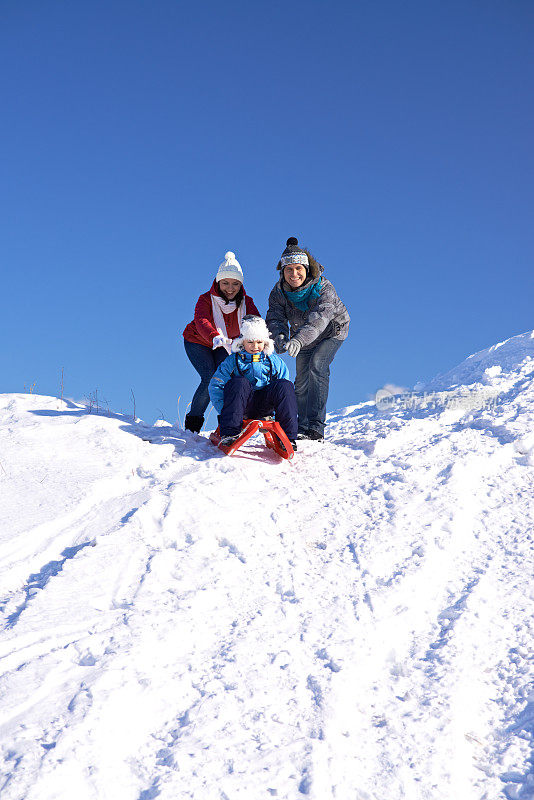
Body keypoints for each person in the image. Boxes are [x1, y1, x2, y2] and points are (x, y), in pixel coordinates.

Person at [266, 237, 349, 441]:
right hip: (301, 337)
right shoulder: (278, 293)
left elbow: (320, 318)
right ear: (282, 272)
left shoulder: (324, 287)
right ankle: (301, 425)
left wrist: (298, 340)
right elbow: (275, 317)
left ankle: (315, 427)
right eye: (289, 270)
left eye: (298, 268)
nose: (294, 274)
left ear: (307, 268)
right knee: (301, 381)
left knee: (317, 366)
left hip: (331, 331)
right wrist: (279, 337)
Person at [182, 251, 260, 433]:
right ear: (218, 282)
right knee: (209, 377)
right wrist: (213, 336)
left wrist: (262, 338)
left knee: (226, 377)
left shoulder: (246, 302)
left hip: (225, 345)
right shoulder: (205, 299)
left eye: (235, 284)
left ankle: (227, 423)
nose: (230, 288)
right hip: (198, 341)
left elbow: (256, 322)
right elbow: (202, 321)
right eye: (225, 283)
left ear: (241, 284)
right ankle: (192, 425)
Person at [208, 315, 298, 449]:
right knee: (239, 382)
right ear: (242, 342)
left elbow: (284, 392)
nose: (255, 346)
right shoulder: (233, 361)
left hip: (265, 406)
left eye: (259, 342)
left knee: (285, 385)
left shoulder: (274, 361)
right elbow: (216, 385)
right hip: (240, 406)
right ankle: (230, 434)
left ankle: (287, 438)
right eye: (250, 342)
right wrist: (227, 409)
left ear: (265, 342)